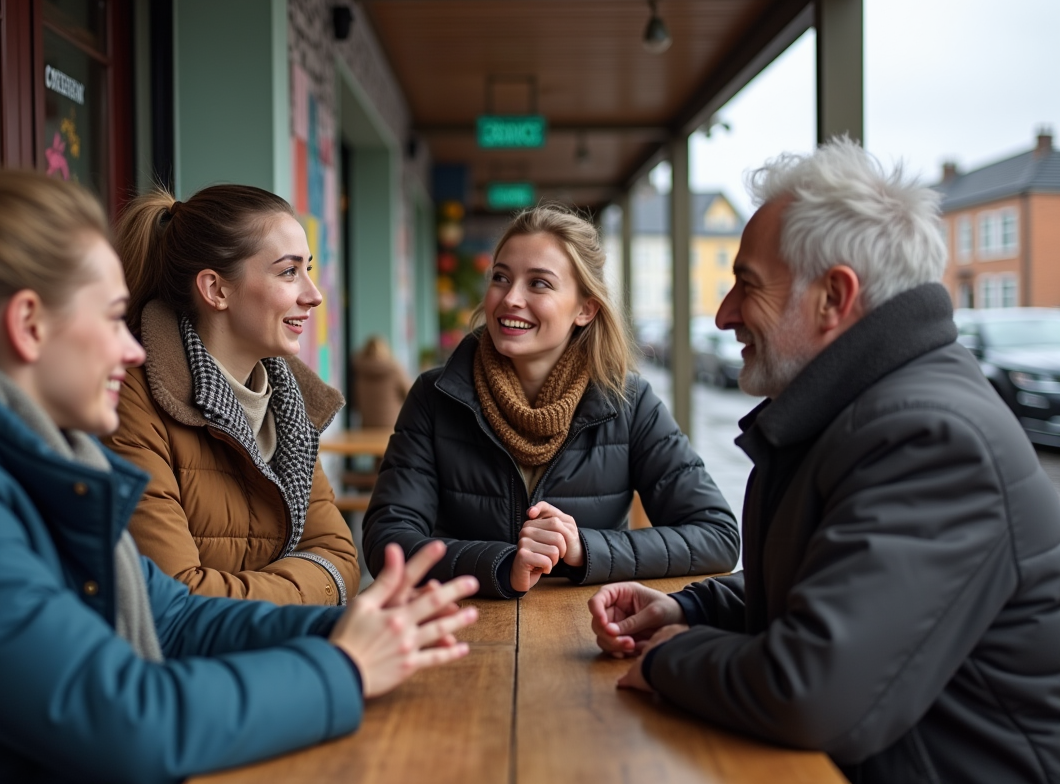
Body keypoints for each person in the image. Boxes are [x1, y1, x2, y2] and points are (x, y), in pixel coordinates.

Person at [0, 169, 479, 783]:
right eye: (110, 319)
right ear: (28, 325)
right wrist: (342, 669)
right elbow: (124, 722)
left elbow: (175, 616)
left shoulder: (39, 455)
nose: (132, 350)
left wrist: (349, 627)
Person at [590, 139, 1060, 782]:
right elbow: (844, 590)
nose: (725, 314)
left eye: (746, 285)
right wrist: (694, 608)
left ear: (834, 298)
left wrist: (675, 656)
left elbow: (813, 692)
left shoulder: (931, 439)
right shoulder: (869, 410)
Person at [363, 204, 740, 599]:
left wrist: (584, 549)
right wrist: (503, 564)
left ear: (585, 308)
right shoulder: (435, 397)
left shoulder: (629, 403)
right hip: (459, 632)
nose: (510, 298)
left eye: (538, 283)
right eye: (500, 278)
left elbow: (717, 536)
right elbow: (387, 542)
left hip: (588, 635)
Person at [106, 185, 359, 606]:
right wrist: (312, 585)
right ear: (216, 290)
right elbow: (174, 599)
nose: (313, 295)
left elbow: (342, 561)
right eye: (288, 272)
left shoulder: (291, 403)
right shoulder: (132, 398)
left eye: (308, 269)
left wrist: (298, 584)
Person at [352, 334, 413, 428]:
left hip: (366, 428)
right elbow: (411, 395)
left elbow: (354, 403)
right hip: (392, 427)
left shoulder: (358, 371)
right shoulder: (395, 369)